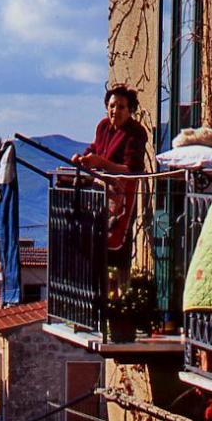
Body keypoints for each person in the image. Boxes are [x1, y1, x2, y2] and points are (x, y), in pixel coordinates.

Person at [72, 85, 147, 277]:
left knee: (116, 247)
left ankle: (118, 295)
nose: (116, 111)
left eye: (122, 107)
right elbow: (95, 148)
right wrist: (83, 158)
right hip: (99, 196)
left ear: (130, 109)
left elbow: (132, 169)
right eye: (112, 106)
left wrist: (102, 163)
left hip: (122, 197)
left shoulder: (136, 132)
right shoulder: (103, 126)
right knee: (94, 244)